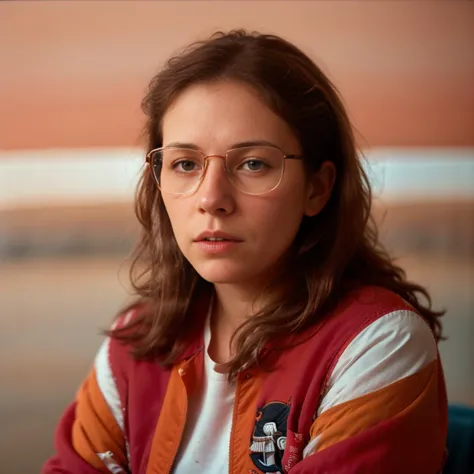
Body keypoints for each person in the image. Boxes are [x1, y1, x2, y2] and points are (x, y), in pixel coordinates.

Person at [42, 30, 448, 474]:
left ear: (317, 187)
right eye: (185, 164)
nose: (211, 198)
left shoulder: (378, 344)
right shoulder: (135, 342)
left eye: (253, 163)